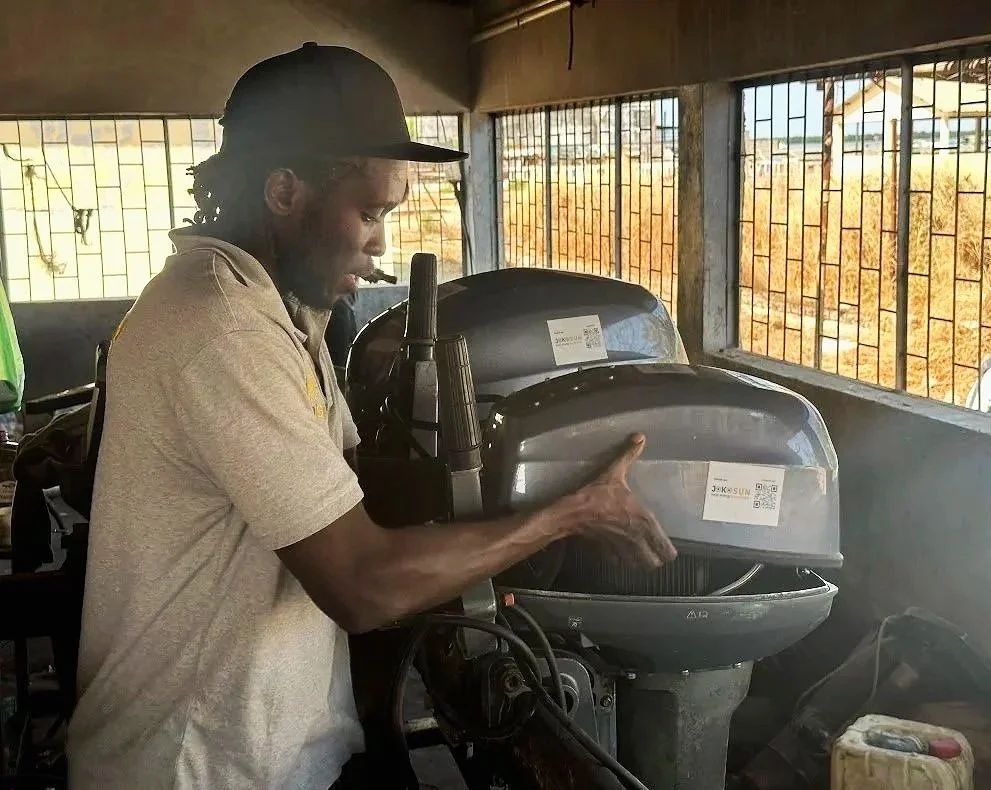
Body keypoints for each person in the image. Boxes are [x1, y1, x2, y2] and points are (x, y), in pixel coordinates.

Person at [65, 43, 677, 790]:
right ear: (285, 191)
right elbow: (359, 584)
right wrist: (569, 513)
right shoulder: (220, 324)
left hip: (267, 752)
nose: (382, 242)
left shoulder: (277, 309)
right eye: (368, 211)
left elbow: (353, 485)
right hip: (197, 766)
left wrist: (514, 474)